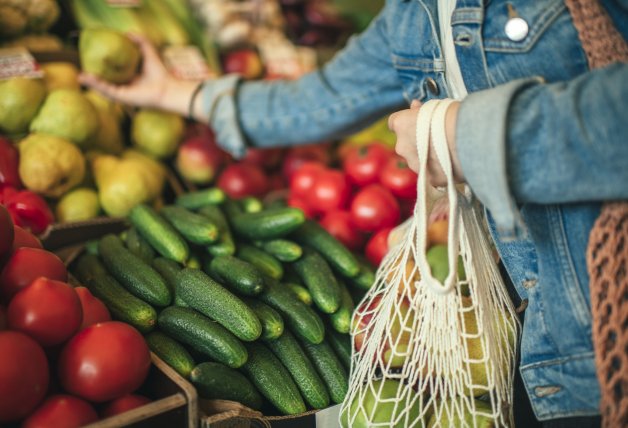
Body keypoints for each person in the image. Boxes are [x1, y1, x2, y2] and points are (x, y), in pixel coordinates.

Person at [80, 1, 628, 425]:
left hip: (602, 342)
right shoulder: (414, 14)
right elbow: (323, 98)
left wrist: (469, 137)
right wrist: (177, 94)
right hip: (531, 347)